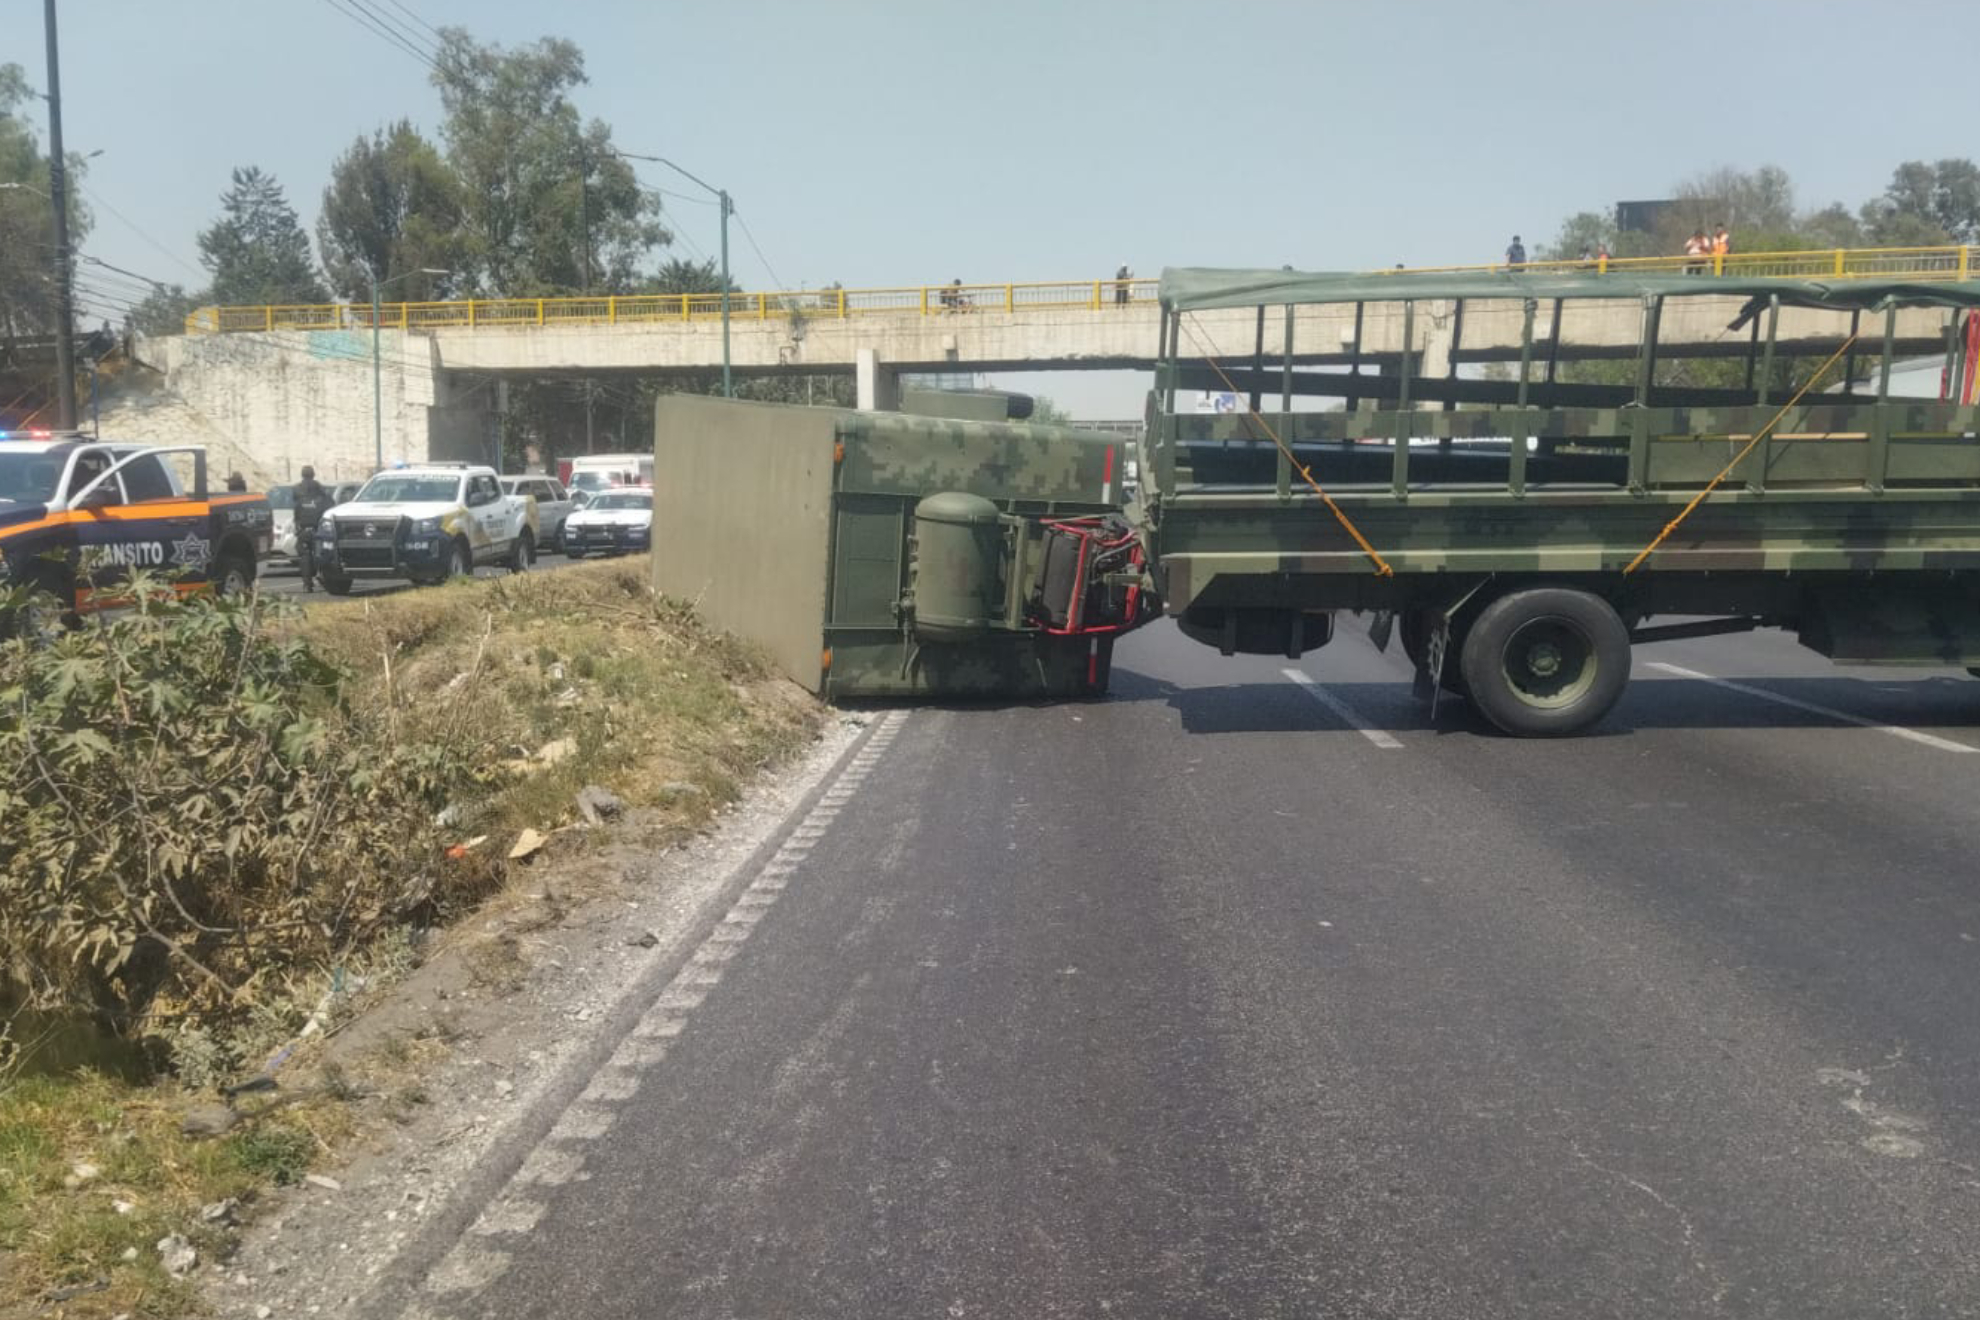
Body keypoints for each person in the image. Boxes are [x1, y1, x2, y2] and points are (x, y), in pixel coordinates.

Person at [292, 464, 333, 593]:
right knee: (323, 553)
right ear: (313, 475)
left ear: (302, 475)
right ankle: (322, 576)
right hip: (318, 529)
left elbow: (296, 513)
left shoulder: (297, 492)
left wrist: (298, 528)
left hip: (304, 529)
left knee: (304, 555)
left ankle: (307, 584)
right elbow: (330, 506)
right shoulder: (321, 492)